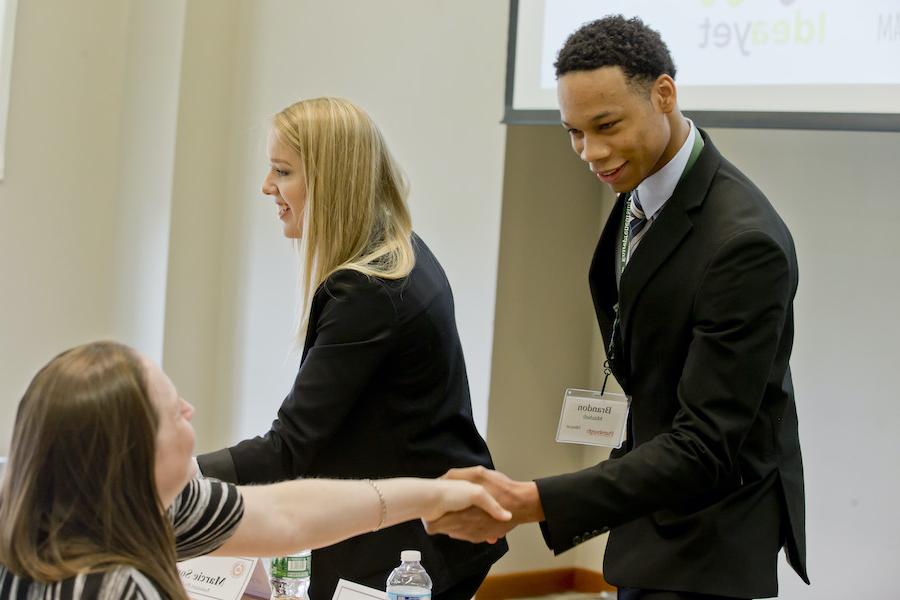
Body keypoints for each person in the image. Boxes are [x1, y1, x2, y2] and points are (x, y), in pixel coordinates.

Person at [425, 15, 808, 600]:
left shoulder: (744, 244)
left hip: (711, 541)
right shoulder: (642, 194)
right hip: (650, 522)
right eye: (573, 132)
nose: (589, 152)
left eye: (606, 126)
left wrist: (530, 501)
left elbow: (705, 444)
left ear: (664, 94)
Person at [196, 97, 507, 600]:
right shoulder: (400, 253)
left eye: (282, 171)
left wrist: (176, 481)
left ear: (330, 180)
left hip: (409, 551)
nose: (267, 187)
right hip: (421, 529)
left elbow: (289, 449)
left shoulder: (367, 290)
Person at [0, 341, 510, 600]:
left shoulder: (122, 507)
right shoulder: (113, 585)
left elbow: (285, 514)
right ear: (131, 456)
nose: (190, 410)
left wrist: (430, 495)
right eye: (172, 409)